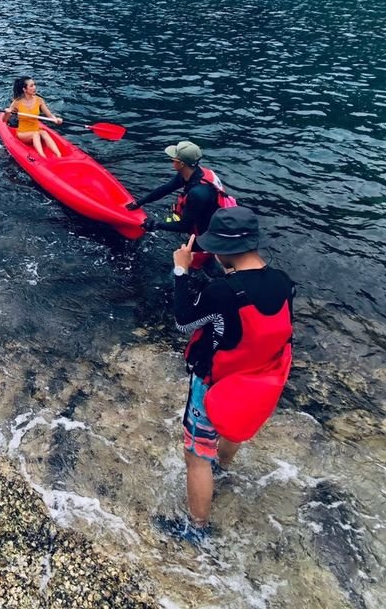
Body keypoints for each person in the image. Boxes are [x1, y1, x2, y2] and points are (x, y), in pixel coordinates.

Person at [167, 206, 294, 540]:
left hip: (215, 384)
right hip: (256, 382)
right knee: (233, 428)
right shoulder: (284, 283)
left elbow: (184, 322)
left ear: (224, 250)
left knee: (196, 458)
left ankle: (196, 530)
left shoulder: (224, 292)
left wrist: (181, 271)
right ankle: (223, 470)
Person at [126, 141, 235, 269]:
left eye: (173, 159)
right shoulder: (194, 173)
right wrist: (139, 203)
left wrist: (154, 224)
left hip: (207, 234)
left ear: (182, 163)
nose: (171, 161)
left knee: (188, 265)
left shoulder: (198, 193)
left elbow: (184, 227)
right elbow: (165, 189)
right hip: (206, 219)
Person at [4, 76, 63, 158]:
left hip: (36, 129)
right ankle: (42, 157)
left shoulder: (39, 100)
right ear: (24, 89)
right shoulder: (16, 103)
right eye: (31, 86)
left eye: (34, 85)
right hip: (23, 133)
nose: (34, 87)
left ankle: (59, 155)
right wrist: (7, 113)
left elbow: (50, 115)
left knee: (44, 132)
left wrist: (56, 120)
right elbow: (5, 120)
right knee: (36, 134)